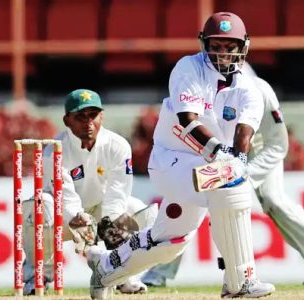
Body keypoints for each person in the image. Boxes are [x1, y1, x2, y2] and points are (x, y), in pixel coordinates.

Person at [86, 12, 276, 298]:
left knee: (171, 241)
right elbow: (188, 119)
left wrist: (238, 159)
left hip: (208, 165)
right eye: (217, 45)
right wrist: (223, 156)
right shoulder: (188, 68)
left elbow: (244, 134)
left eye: (229, 46)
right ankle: (240, 282)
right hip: (171, 161)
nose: (222, 53)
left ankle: (106, 267)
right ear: (204, 43)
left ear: (242, 47)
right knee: (229, 184)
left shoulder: (249, 87)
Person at [141, 62, 304, 287]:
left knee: (274, 200)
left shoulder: (260, 91)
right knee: (192, 200)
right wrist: (224, 169)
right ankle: (158, 274)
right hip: (219, 152)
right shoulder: (202, 86)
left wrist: (243, 177)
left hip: (258, 152)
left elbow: (277, 146)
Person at [21, 89, 157, 298]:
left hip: (102, 209)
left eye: (93, 115)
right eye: (80, 117)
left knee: (138, 210)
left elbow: (118, 191)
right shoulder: (53, 151)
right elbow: (64, 197)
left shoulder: (118, 145)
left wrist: (108, 222)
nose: (88, 122)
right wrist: (79, 218)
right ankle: (35, 275)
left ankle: (124, 275)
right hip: (63, 217)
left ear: (102, 117)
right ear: (67, 121)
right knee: (38, 205)